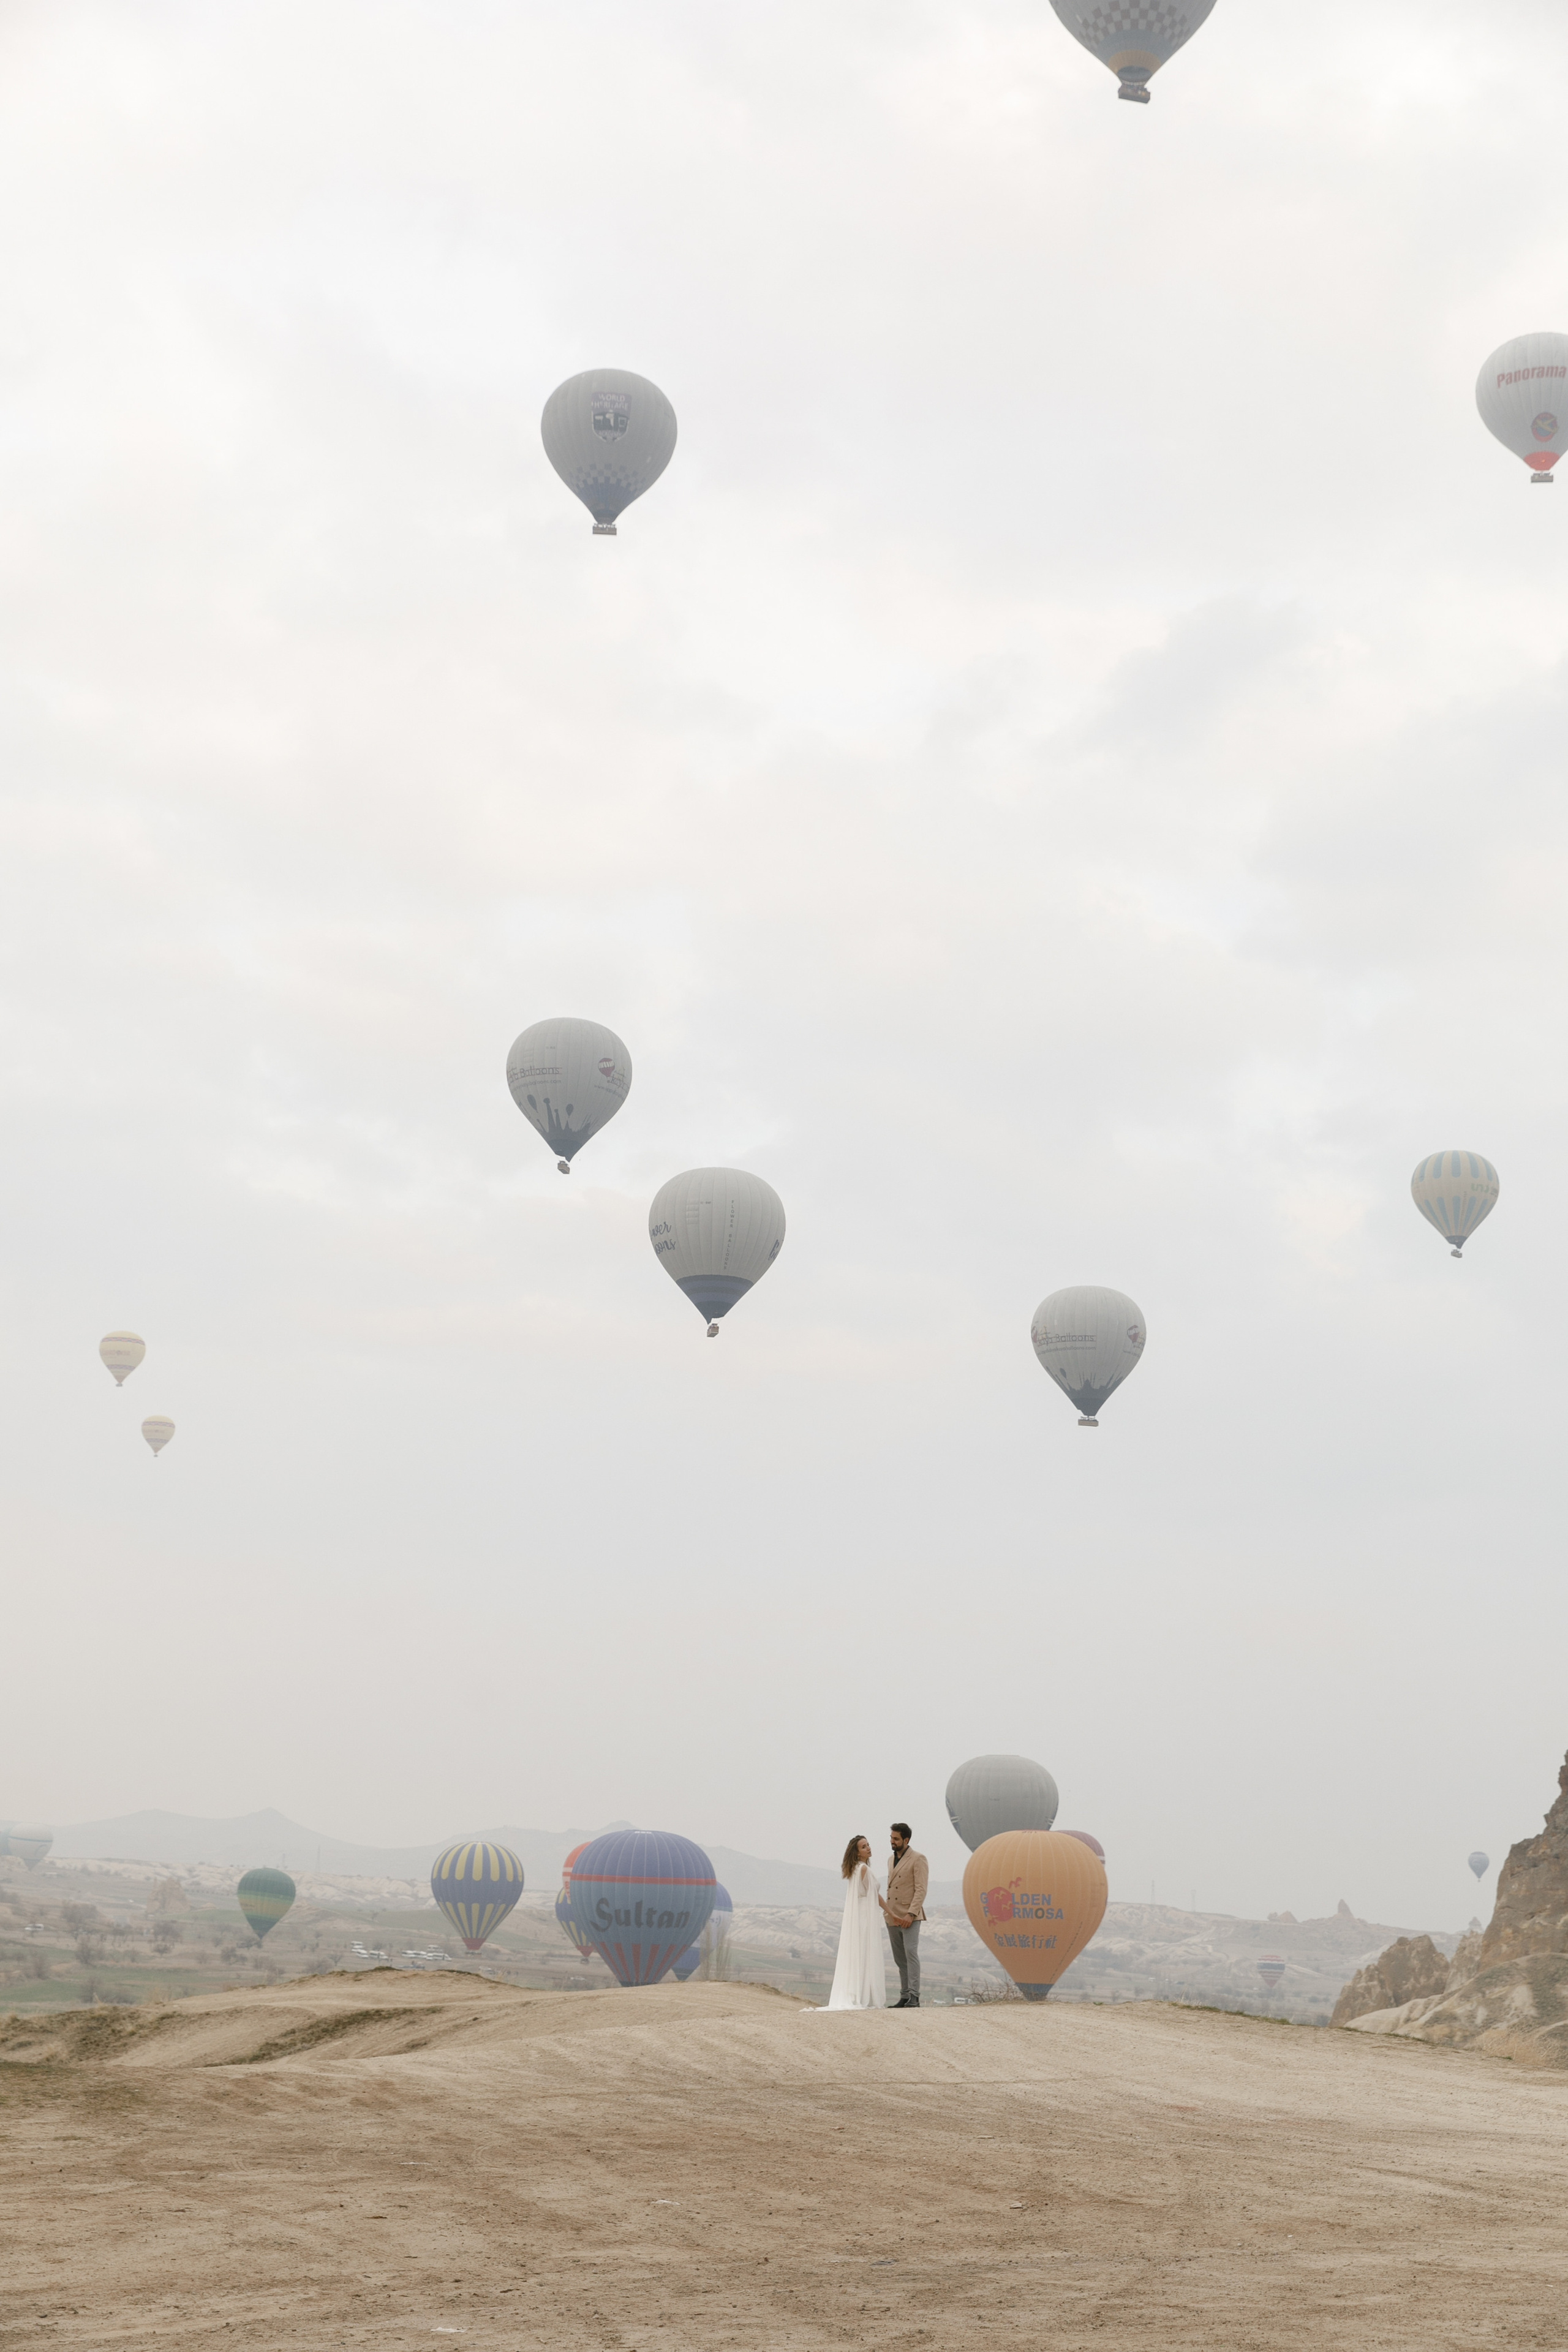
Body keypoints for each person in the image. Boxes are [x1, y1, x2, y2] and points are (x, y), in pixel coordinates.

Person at [823, 1834, 888, 2010]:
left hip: (860, 1917)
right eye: (864, 1847)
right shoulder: (864, 1870)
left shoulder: (855, 1870)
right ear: (858, 1853)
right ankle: (863, 1994)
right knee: (866, 1953)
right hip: (865, 1918)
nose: (869, 1848)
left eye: (868, 1845)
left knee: (859, 1954)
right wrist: (891, 1913)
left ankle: (856, 1992)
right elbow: (875, 1896)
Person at [884, 1822, 928, 2008]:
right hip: (892, 1915)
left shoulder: (918, 1859)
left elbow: (921, 1889)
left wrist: (911, 1913)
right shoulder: (890, 1859)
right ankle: (904, 1996)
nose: (892, 1842)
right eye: (891, 1838)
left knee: (911, 1953)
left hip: (910, 1916)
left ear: (906, 1840)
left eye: (896, 1839)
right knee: (899, 1958)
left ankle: (915, 1996)